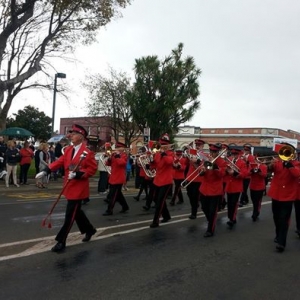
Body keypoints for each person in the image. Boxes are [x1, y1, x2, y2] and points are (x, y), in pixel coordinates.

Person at [36, 124, 97, 252]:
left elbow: (92, 169)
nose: (71, 136)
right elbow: (59, 162)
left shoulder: (87, 152)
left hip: (78, 189)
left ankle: (61, 241)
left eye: (73, 134)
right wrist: (47, 170)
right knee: (77, 213)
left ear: (81, 137)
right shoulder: (69, 149)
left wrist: (79, 174)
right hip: (69, 186)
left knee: (70, 215)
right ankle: (90, 230)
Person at [267, 143, 300, 253]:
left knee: (284, 219)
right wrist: (270, 165)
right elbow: (270, 170)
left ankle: (281, 242)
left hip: (288, 196)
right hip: (276, 194)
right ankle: (278, 235)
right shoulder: (278, 162)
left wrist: (290, 165)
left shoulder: (296, 164)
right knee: (276, 218)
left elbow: (297, 174)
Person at [199, 143, 227, 237]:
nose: (212, 153)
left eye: (214, 151)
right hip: (204, 188)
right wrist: (202, 171)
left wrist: (214, 166)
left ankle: (210, 229)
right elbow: (202, 172)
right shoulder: (206, 159)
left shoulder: (222, 162)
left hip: (215, 190)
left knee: (212, 211)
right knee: (204, 208)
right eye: (211, 151)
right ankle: (211, 220)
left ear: (218, 152)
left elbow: (221, 175)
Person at [149, 133, 174, 228]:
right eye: (161, 144)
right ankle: (166, 215)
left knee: (160, 201)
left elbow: (170, 162)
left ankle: (156, 221)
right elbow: (156, 165)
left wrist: (164, 154)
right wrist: (150, 164)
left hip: (166, 181)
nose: (162, 146)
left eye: (164, 144)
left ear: (167, 145)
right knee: (156, 199)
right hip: (157, 179)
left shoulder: (171, 153)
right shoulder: (157, 154)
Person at [102, 142, 130, 216]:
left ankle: (109, 210)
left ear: (123, 149)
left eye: (119, 148)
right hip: (113, 177)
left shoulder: (124, 155)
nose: (117, 149)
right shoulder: (114, 155)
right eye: (117, 148)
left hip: (119, 178)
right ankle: (125, 206)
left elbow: (122, 163)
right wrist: (109, 158)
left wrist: (117, 156)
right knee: (118, 194)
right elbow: (107, 164)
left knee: (113, 195)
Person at [224, 147, 247, 229]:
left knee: (234, 203)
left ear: (238, 154)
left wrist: (234, 173)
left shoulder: (242, 162)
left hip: (236, 186)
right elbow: (224, 171)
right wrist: (226, 170)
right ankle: (230, 217)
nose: (234, 156)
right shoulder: (229, 161)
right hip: (229, 186)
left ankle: (232, 218)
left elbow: (244, 174)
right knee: (229, 203)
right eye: (233, 154)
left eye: (235, 154)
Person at [248, 157, 268, 221]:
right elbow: (247, 174)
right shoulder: (251, 166)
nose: (256, 161)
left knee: (258, 201)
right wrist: (251, 171)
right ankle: (255, 211)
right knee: (253, 200)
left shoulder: (264, 166)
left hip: (260, 187)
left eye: (257, 160)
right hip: (252, 186)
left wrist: (260, 172)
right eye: (255, 160)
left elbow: (265, 175)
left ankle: (256, 213)